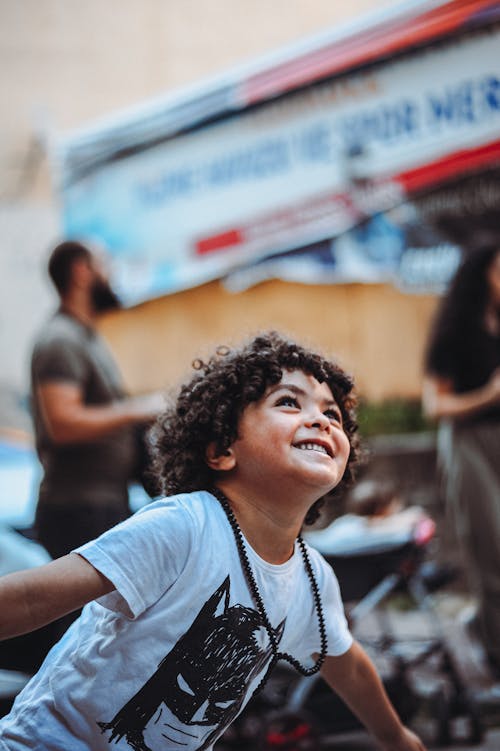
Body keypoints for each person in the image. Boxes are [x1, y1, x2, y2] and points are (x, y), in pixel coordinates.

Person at [0, 332, 426, 751]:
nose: (320, 420)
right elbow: (34, 599)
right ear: (222, 449)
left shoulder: (313, 579)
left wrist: (394, 736)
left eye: (332, 414)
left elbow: (347, 665)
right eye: (289, 402)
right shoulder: (184, 526)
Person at [31, 240, 163, 559]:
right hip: (78, 510)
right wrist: (138, 410)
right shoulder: (60, 339)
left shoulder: (83, 336)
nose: (112, 274)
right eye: (105, 263)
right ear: (82, 271)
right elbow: (62, 424)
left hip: (100, 505)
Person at [422, 243, 500, 675]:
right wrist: (488, 395)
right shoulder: (456, 331)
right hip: (470, 443)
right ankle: (494, 655)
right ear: (481, 275)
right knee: (493, 551)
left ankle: (479, 631)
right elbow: (435, 405)